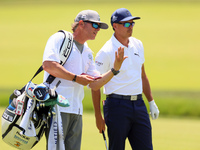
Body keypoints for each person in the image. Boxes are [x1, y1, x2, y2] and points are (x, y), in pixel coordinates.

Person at [42, 9, 127, 150]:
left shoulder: (87, 52)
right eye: (94, 25)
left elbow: (95, 85)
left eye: (99, 27)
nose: (98, 29)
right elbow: (49, 65)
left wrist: (114, 70)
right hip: (56, 108)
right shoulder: (60, 38)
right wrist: (76, 78)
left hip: (76, 110)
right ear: (81, 23)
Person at [92, 8, 160, 150]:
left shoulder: (138, 44)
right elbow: (95, 85)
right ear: (115, 26)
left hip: (139, 105)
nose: (131, 27)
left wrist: (151, 101)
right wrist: (98, 116)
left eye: (132, 23)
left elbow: (142, 75)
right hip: (116, 106)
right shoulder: (106, 51)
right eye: (127, 24)